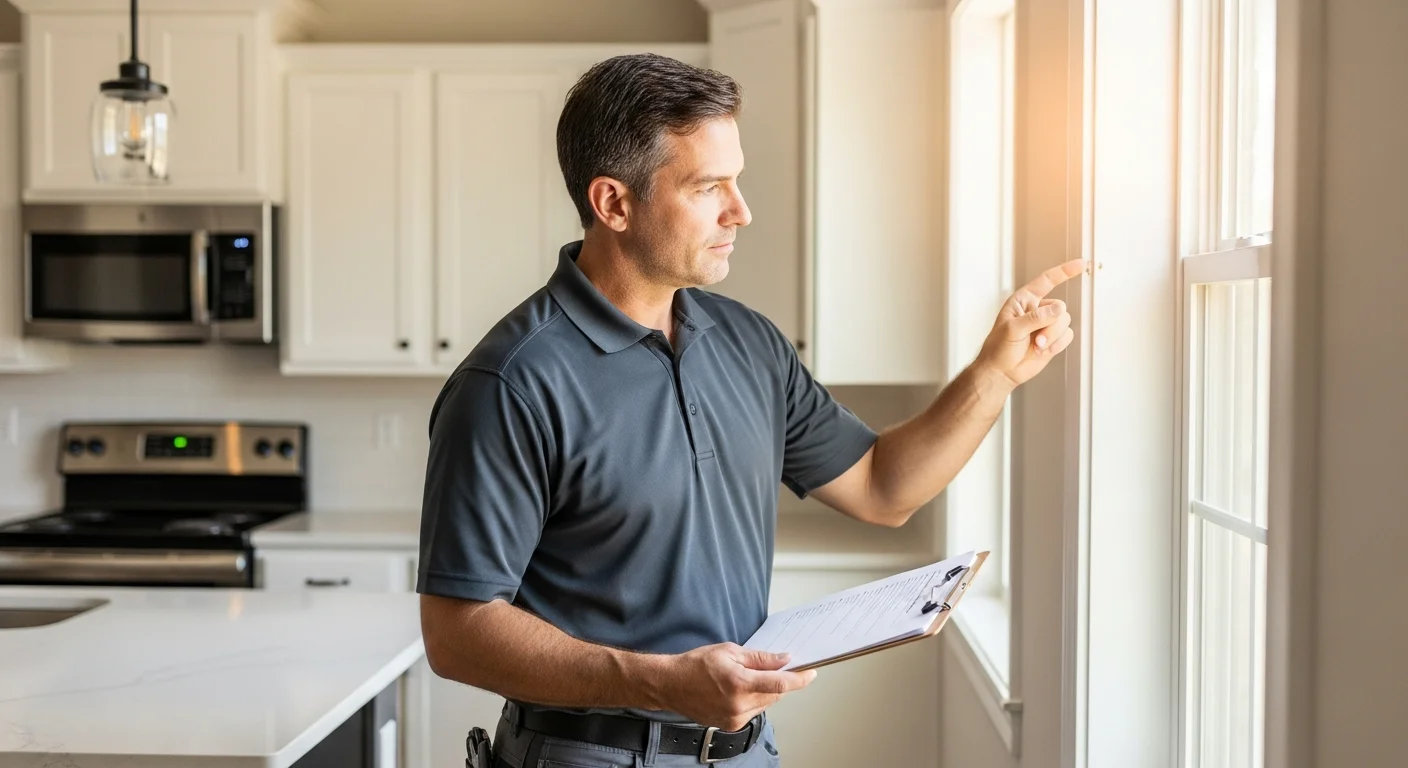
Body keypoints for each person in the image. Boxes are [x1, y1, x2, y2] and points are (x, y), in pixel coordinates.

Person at [417, 53, 1082, 768]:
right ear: (613, 203)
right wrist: (663, 684)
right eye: (709, 188)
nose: (742, 211)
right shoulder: (510, 382)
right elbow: (456, 632)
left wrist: (995, 374)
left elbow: (883, 488)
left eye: (737, 180)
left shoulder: (748, 342)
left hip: (744, 753)